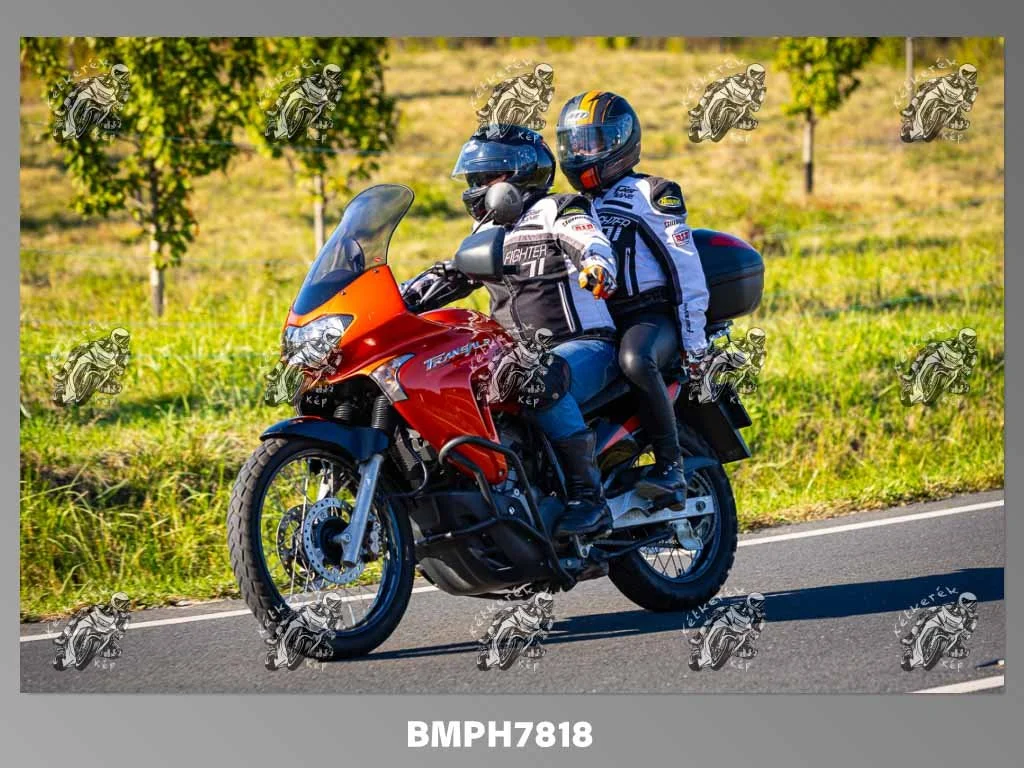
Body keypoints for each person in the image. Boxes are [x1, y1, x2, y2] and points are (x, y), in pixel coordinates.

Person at [403, 125, 619, 537]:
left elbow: (589, 240)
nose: (478, 188)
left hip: (584, 345)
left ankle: (589, 499)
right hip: (516, 356)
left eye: (489, 177)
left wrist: (596, 266)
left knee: (536, 377)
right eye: (474, 179)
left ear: (523, 174)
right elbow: (451, 275)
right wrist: (397, 299)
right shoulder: (488, 234)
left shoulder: (559, 208)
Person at [556, 91, 710, 499]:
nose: (581, 153)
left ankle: (671, 466)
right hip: (599, 322)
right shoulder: (572, 206)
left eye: (591, 142)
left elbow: (685, 271)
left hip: (649, 314)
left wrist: (695, 343)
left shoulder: (652, 193)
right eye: (574, 144)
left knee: (634, 360)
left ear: (621, 140)